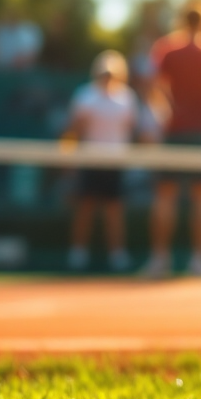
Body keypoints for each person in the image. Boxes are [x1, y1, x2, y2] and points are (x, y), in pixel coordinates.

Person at [141, 0, 201, 278]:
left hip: (174, 132)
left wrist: (167, 115)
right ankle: (200, 260)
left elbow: (154, 90)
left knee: (165, 195)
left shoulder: (166, 50)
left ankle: (160, 260)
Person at [61, 51, 139, 272]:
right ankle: (78, 253)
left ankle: (117, 255)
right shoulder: (85, 95)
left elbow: (132, 130)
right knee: (85, 208)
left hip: (115, 163)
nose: (107, 77)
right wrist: (69, 157)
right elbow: (74, 129)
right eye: (104, 73)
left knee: (114, 209)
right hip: (89, 160)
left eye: (111, 73)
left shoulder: (127, 98)